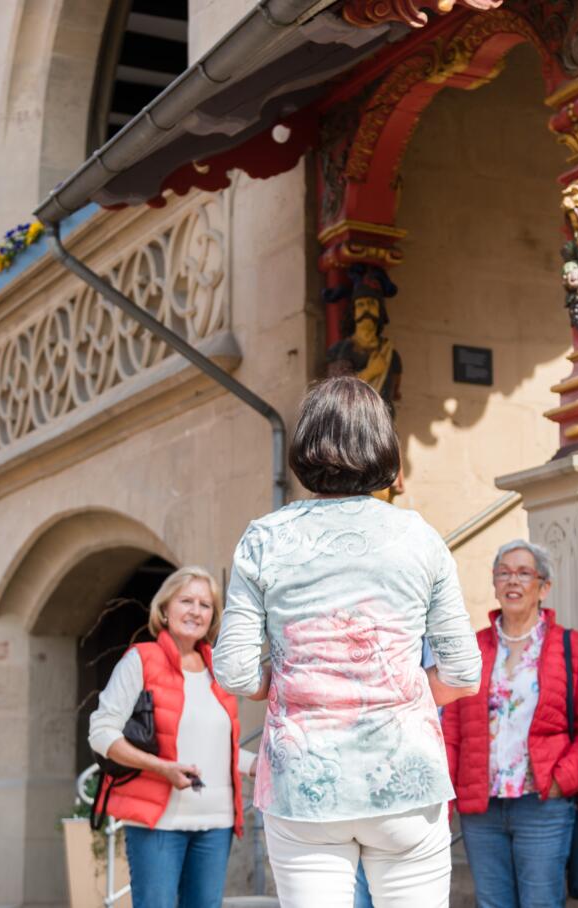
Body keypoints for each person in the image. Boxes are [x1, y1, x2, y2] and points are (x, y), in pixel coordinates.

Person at [214, 376, 482, 908]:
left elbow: (236, 671)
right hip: (404, 776)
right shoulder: (420, 537)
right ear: (382, 443)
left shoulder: (265, 538)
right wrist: (398, 690)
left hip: (304, 782)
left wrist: (287, 683)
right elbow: (462, 672)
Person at [440, 540, 578, 908]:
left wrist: (564, 780)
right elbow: (452, 730)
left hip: (542, 804)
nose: (512, 580)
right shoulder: (473, 648)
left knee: (541, 902)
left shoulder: (573, 647)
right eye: (504, 573)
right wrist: (447, 797)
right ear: (495, 584)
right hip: (481, 807)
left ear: (543, 587)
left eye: (524, 573)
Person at [88, 566, 247, 908]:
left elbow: (224, 749)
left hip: (216, 823)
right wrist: (161, 767)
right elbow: (101, 732)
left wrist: (262, 763)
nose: (196, 611)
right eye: (186, 601)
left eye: (205, 605)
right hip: (158, 822)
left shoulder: (219, 670)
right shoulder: (141, 659)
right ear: (164, 609)